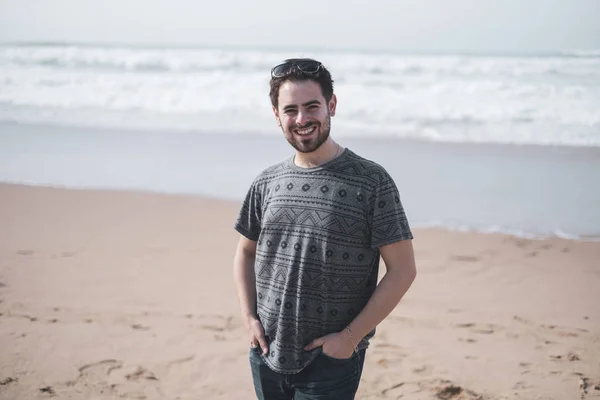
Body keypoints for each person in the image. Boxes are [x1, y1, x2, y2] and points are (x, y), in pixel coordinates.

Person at [233, 58, 417, 400]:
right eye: (291, 110)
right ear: (277, 116)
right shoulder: (267, 182)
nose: (302, 119)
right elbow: (245, 252)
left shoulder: (371, 181)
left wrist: (349, 339)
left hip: (330, 362)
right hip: (265, 353)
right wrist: (249, 318)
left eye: (312, 106)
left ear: (331, 105)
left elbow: (403, 269)